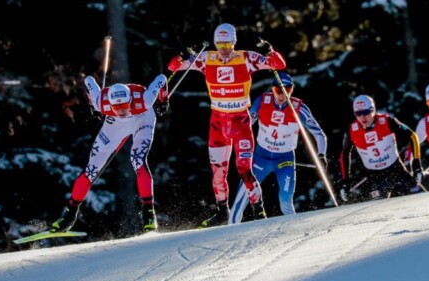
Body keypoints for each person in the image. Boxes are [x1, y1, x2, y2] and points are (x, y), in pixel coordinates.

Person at [166, 23, 287, 227]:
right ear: (215, 43)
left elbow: (278, 65)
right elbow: (173, 67)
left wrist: (269, 50)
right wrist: (181, 56)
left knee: (244, 169)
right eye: (220, 43)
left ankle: (259, 211)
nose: (223, 49)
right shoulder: (206, 59)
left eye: (228, 44)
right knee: (218, 171)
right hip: (218, 124)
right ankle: (223, 211)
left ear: (234, 43)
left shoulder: (246, 58)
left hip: (240, 122)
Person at [49, 73, 168, 233]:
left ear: (130, 100)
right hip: (114, 125)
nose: (121, 111)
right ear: (110, 104)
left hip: (142, 119)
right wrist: (92, 105)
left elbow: (161, 78)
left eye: (124, 106)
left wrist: (163, 100)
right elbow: (88, 80)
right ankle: (70, 215)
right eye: (116, 108)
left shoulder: (145, 99)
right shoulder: (101, 102)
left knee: (137, 159)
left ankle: (148, 212)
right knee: (91, 170)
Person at [229, 72, 328, 224]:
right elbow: (247, 124)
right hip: (260, 158)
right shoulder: (262, 101)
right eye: (277, 91)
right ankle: (230, 229)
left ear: (291, 90)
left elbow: (319, 135)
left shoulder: (298, 107)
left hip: (285, 160)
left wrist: (321, 155)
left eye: (286, 91)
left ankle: (294, 233)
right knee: (241, 198)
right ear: (272, 89)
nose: (281, 96)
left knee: (285, 201)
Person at [338, 94, 423, 202]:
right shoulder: (351, 130)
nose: (363, 117)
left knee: (418, 200)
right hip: (375, 177)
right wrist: (345, 182)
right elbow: (344, 154)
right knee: (380, 211)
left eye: (366, 112)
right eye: (358, 114)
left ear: (373, 110)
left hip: (396, 170)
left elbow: (413, 136)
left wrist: (417, 166)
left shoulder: (386, 121)